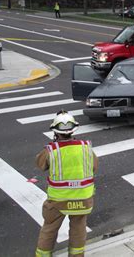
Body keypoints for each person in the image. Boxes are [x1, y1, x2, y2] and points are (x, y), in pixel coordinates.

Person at [35, 110, 98, 257]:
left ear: (55, 132)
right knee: (78, 229)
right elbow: (94, 166)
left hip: (58, 200)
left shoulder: (51, 150)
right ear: (73, 130)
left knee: (49, 229)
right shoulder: (85, 147)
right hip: (83, 198)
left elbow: (40, 164)